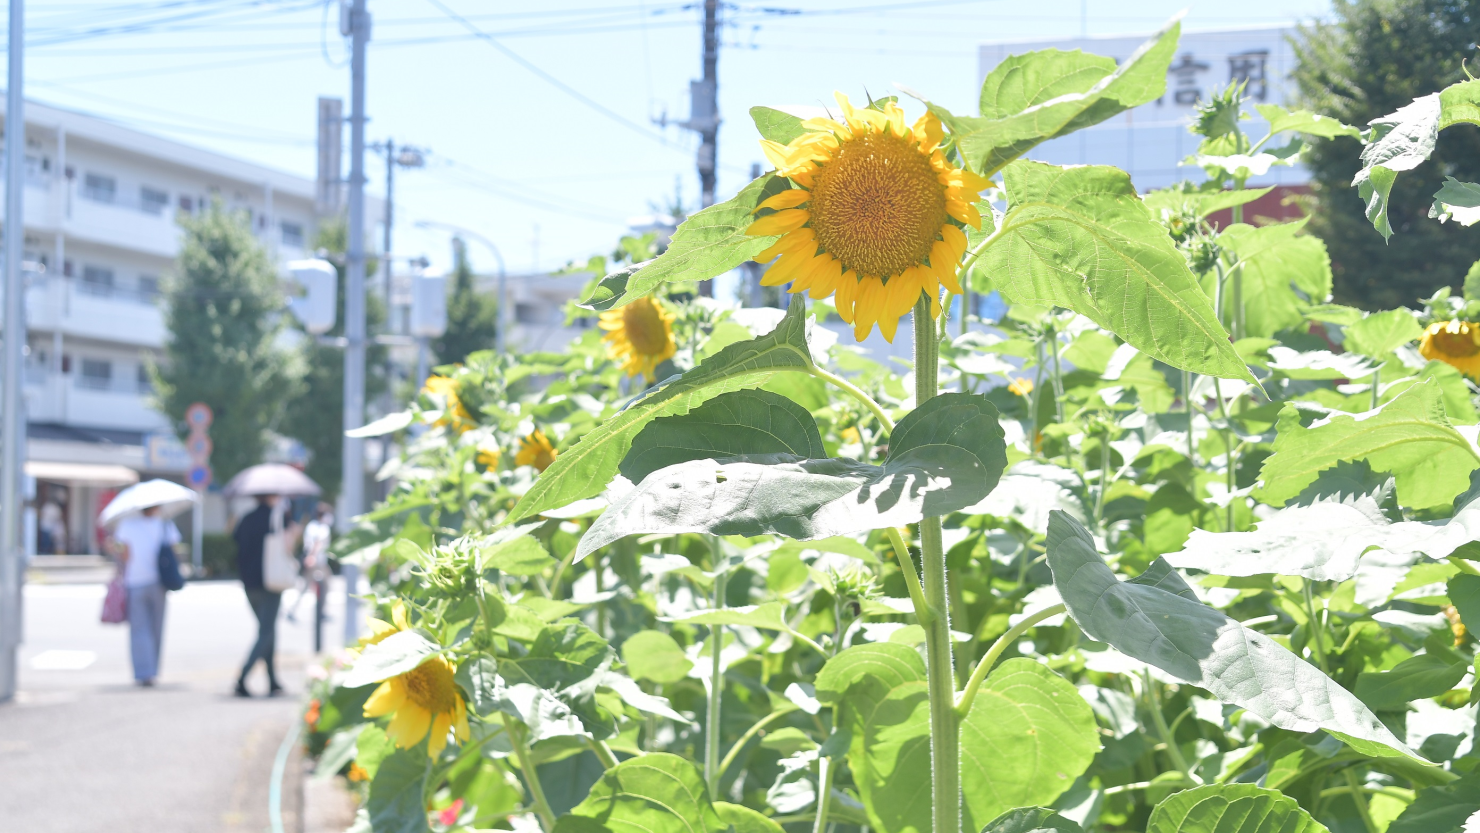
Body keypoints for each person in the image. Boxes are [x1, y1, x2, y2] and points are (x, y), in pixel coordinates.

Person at [233, 495, 298, 697]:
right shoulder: (278, 518)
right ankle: (242, 677)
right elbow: (289, 546)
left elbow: (235, 540)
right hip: (271, 581)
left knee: (267, 630)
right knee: (266, 632)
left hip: (249, 582)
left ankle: (272, 680)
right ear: (272, 496)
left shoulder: (246, 517)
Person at [112, 505, 182, 686]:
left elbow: (125, 555)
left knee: (139, 629)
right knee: (156, 628)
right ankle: (153, 671)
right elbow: (174, 552)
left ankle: (143, 672)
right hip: (159, 581)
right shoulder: (165, 525)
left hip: (135, 580)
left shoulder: (127, 525)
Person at [287, 503, 332, 624]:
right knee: (325, 586)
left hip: (313, 560)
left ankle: (294, 609)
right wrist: (312, 556)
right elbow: (317, 543)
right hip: (319, 561)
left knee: (306, 586)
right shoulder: (323, 528)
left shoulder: (311, 526)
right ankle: (320, 611)